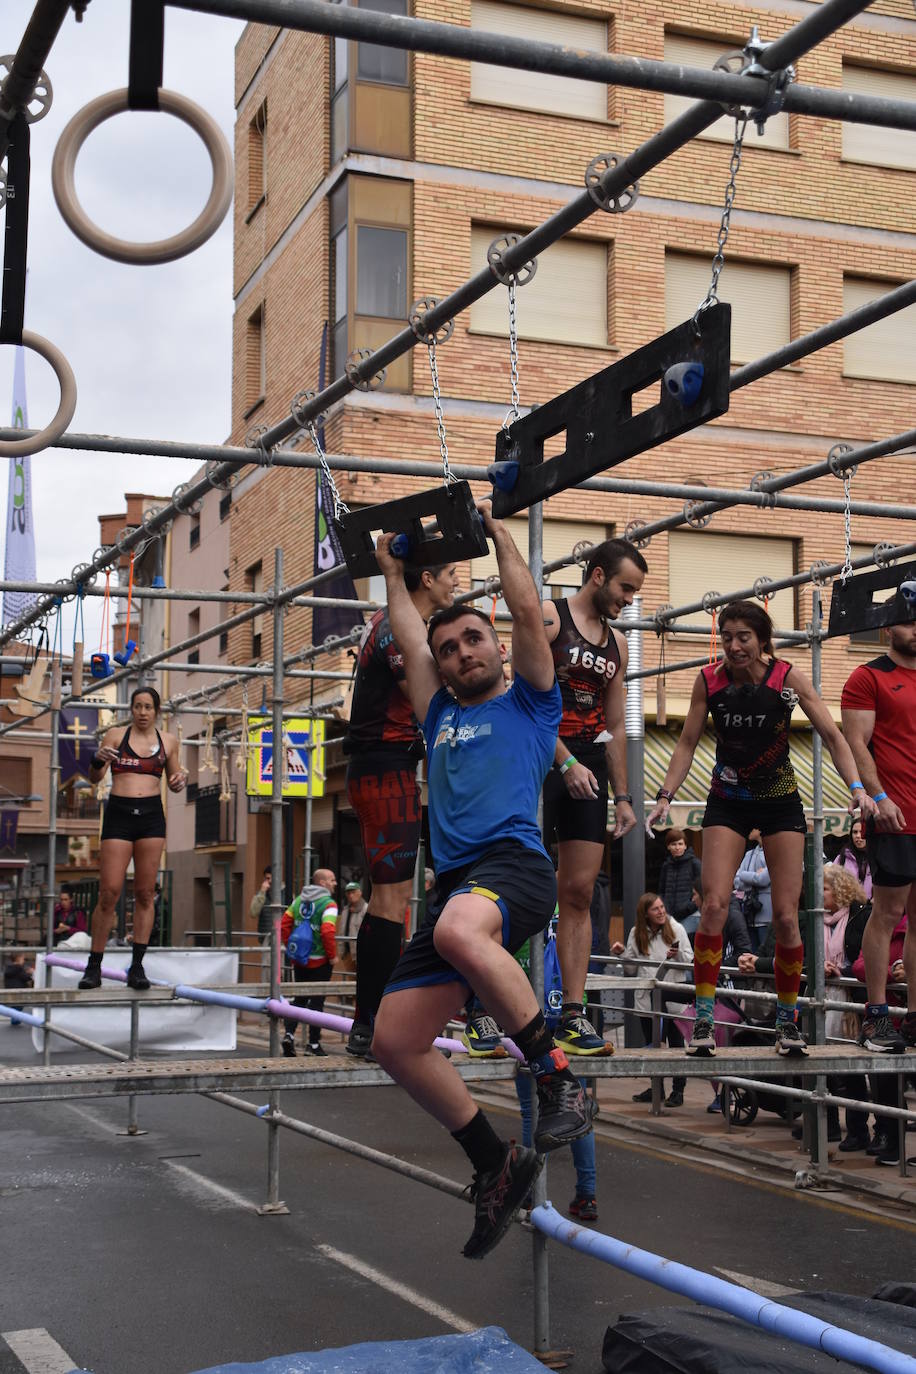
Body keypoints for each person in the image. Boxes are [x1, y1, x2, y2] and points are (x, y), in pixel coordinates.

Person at [371, 504, 595, 1262]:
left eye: (474, 639)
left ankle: (558, 1075)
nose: (462, 651)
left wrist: (499, 534)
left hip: (515, 870)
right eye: (449, 646)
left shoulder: (532, 703)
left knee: (458, 928)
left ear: (498, 647)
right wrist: (393, 573)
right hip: (456, 890)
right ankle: (495, 1163)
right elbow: (407, 632)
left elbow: (530, 608)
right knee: (395, 1041)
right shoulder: (436, 714)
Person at [646, 599, 873, 1057]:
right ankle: (705, 1020)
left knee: (788, 915)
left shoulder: (787, 678)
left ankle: (788, 1023)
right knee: (713, 905)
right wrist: (665, 796)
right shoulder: (709, 681)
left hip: (778, 804)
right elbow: (687, 742)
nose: (733, 646)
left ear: (762, 640)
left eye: (743, 637)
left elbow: (833, 735)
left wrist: (856, 787)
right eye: (726, 636)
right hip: (727, 803)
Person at [343, 559, 459, 1057]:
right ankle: (369, 1024)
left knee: (389, 898)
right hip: (384, 767)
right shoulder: (395, 627)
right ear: (427, 577)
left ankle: (371, 1020)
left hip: (386, 766)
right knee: (389, 901)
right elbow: (429, 701)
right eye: (452, 571)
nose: (459, 581)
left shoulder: (397, 622)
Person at [542, 538, 646, 1055]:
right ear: (599, 575)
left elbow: (616, 728)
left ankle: (573, 1014)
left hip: (590, 763)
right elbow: (523, 700)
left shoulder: (619, 645)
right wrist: (565, 761)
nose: (630, 598)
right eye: (626, 587)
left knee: (580, 892)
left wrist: (624, 796)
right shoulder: (548, 617)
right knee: (524, 887)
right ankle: (496, 1007)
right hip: (539, 756)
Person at [79, 686, 186, 990]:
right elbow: (95, 777)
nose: (142, 712)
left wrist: (180, 780)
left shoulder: (169, 741)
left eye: (148, 707)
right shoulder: (115, 736)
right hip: (119, 812)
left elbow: (175, 782)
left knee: (144, 893)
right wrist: (98, 760)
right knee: (109, 892)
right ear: (131, 709)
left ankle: (137, 966)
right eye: (137, 707)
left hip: (151, 814)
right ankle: (93, 966)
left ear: (157, 711)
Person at [841, 621, 916, 1051]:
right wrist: (878, 796)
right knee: (886, 913)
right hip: (894, 816)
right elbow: (855, 743)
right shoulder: (868, 676)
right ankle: (875, 1017)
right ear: (887, 628)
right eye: (909, 620)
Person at [611, 893, 693, 1106]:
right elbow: (630, 968)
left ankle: (678, 1090)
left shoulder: (676, 929)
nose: (661, 912)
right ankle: (657, 1088)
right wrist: (621, 954)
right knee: (653, 1045)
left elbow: (691, 960)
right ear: (645, 913)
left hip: (672, 999)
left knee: (675, 1047)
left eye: (662, 907)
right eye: (655, 909)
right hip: (646, 999)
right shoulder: (636, 932)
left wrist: (677, 956)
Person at [280, 868, 338, 1057]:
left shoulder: (299, 900)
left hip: (300, 959)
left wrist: (291, 946)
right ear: (322, 883)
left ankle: (288, 1034)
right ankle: (313, 1044)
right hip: (320, 961)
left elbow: (284, 924)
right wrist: (332, 955)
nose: (335, 883)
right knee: (317, 1002)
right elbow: (328, 930)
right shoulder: (329, 904)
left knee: (299, 1000)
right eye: (332, 880)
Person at [656, 829, 702, 936]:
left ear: (685, 846)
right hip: (669, 916)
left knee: (685, 946)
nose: (677, 847)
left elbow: (701, 890)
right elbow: (661, 891)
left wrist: (689, 907)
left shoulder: (694, 863)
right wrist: (664, 908)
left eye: (680, 844)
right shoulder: (666, 866)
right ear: (668, 846)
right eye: (673, 844)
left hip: (690, 915)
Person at [734, 828, 772, 952]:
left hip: (767, 916)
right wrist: (754, 876)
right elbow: (736, 881)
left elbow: (763, 879)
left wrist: (745, 875)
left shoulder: (774, 852)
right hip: (750, 915)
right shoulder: (749, 854)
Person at [834, 816, 872, 900]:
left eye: (862, 832)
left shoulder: (877, 858)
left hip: (873, 908)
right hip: (847, 908)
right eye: (855, 832)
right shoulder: (842, 858)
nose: (858, 836)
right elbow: (832, 884)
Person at [337, 880, 367, 972]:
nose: (351, 895)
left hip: (361, 953)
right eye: (348, 893)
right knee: (350, 981)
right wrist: (342, 952)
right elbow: (342, 931)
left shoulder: (366, 909)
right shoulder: (345, 910)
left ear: (360, 893)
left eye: (353, 892)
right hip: (347, 953)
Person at [3, 952, 33, 1025]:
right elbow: (25, 978)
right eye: (23, 958)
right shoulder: (19, 968)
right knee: (18, 1005)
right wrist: (30, 973)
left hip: (10, 989)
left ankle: (15, 1019)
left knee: (15, 1005)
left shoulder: (9, 968)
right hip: (19, 989)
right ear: (18, 958)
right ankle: (15, 1019)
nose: (24, 960)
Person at [250, 866, 273, 943]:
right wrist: (262, 892)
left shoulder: (286, 893)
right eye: (267, 878)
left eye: (271, 878)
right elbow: (253, 913)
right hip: (266, 940)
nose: (269, 881)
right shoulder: (261, 894)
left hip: (282, 941)